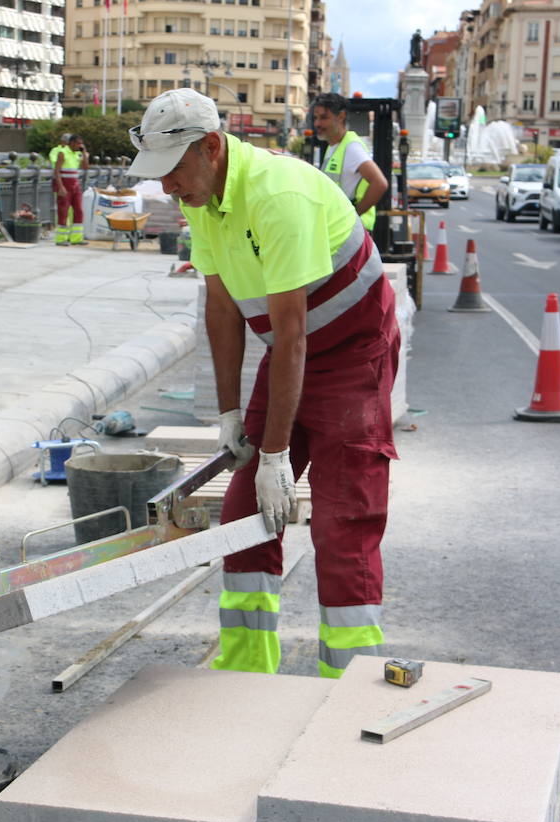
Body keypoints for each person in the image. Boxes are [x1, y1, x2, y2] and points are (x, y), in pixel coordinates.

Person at [127, 89, 400, 679]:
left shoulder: (278, 195)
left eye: (173, 171)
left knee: (341, 520)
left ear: (211, 147)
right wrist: (231, 417)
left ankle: (347, 680)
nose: (169, 189)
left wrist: (277, 452)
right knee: (244, 509)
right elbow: (222, 310)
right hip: (293, 353)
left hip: (353, 355)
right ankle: (247, 670)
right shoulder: (204, 197)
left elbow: (292, 332)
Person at [310, 93, 389, 232]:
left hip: (351, 231)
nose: (317, 123)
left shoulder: (351, 147)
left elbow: (380, 183)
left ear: (341, 116)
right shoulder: (334, 147)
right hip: (342, 228)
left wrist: (353, 215)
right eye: (316, 118)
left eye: (324, 118)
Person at [48, 133, 89, 245]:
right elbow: (57, 171)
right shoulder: (63, 153)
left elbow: (85, 167)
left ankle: (76, 238)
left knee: (79, 210)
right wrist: (60, 187)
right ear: (72, 143)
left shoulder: (77, 154)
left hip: (75, 186)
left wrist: (84, 153)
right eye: (78, 143)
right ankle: (61, 239)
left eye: (81, 143)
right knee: (63, 211)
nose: (80, 145)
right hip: (65, 186)